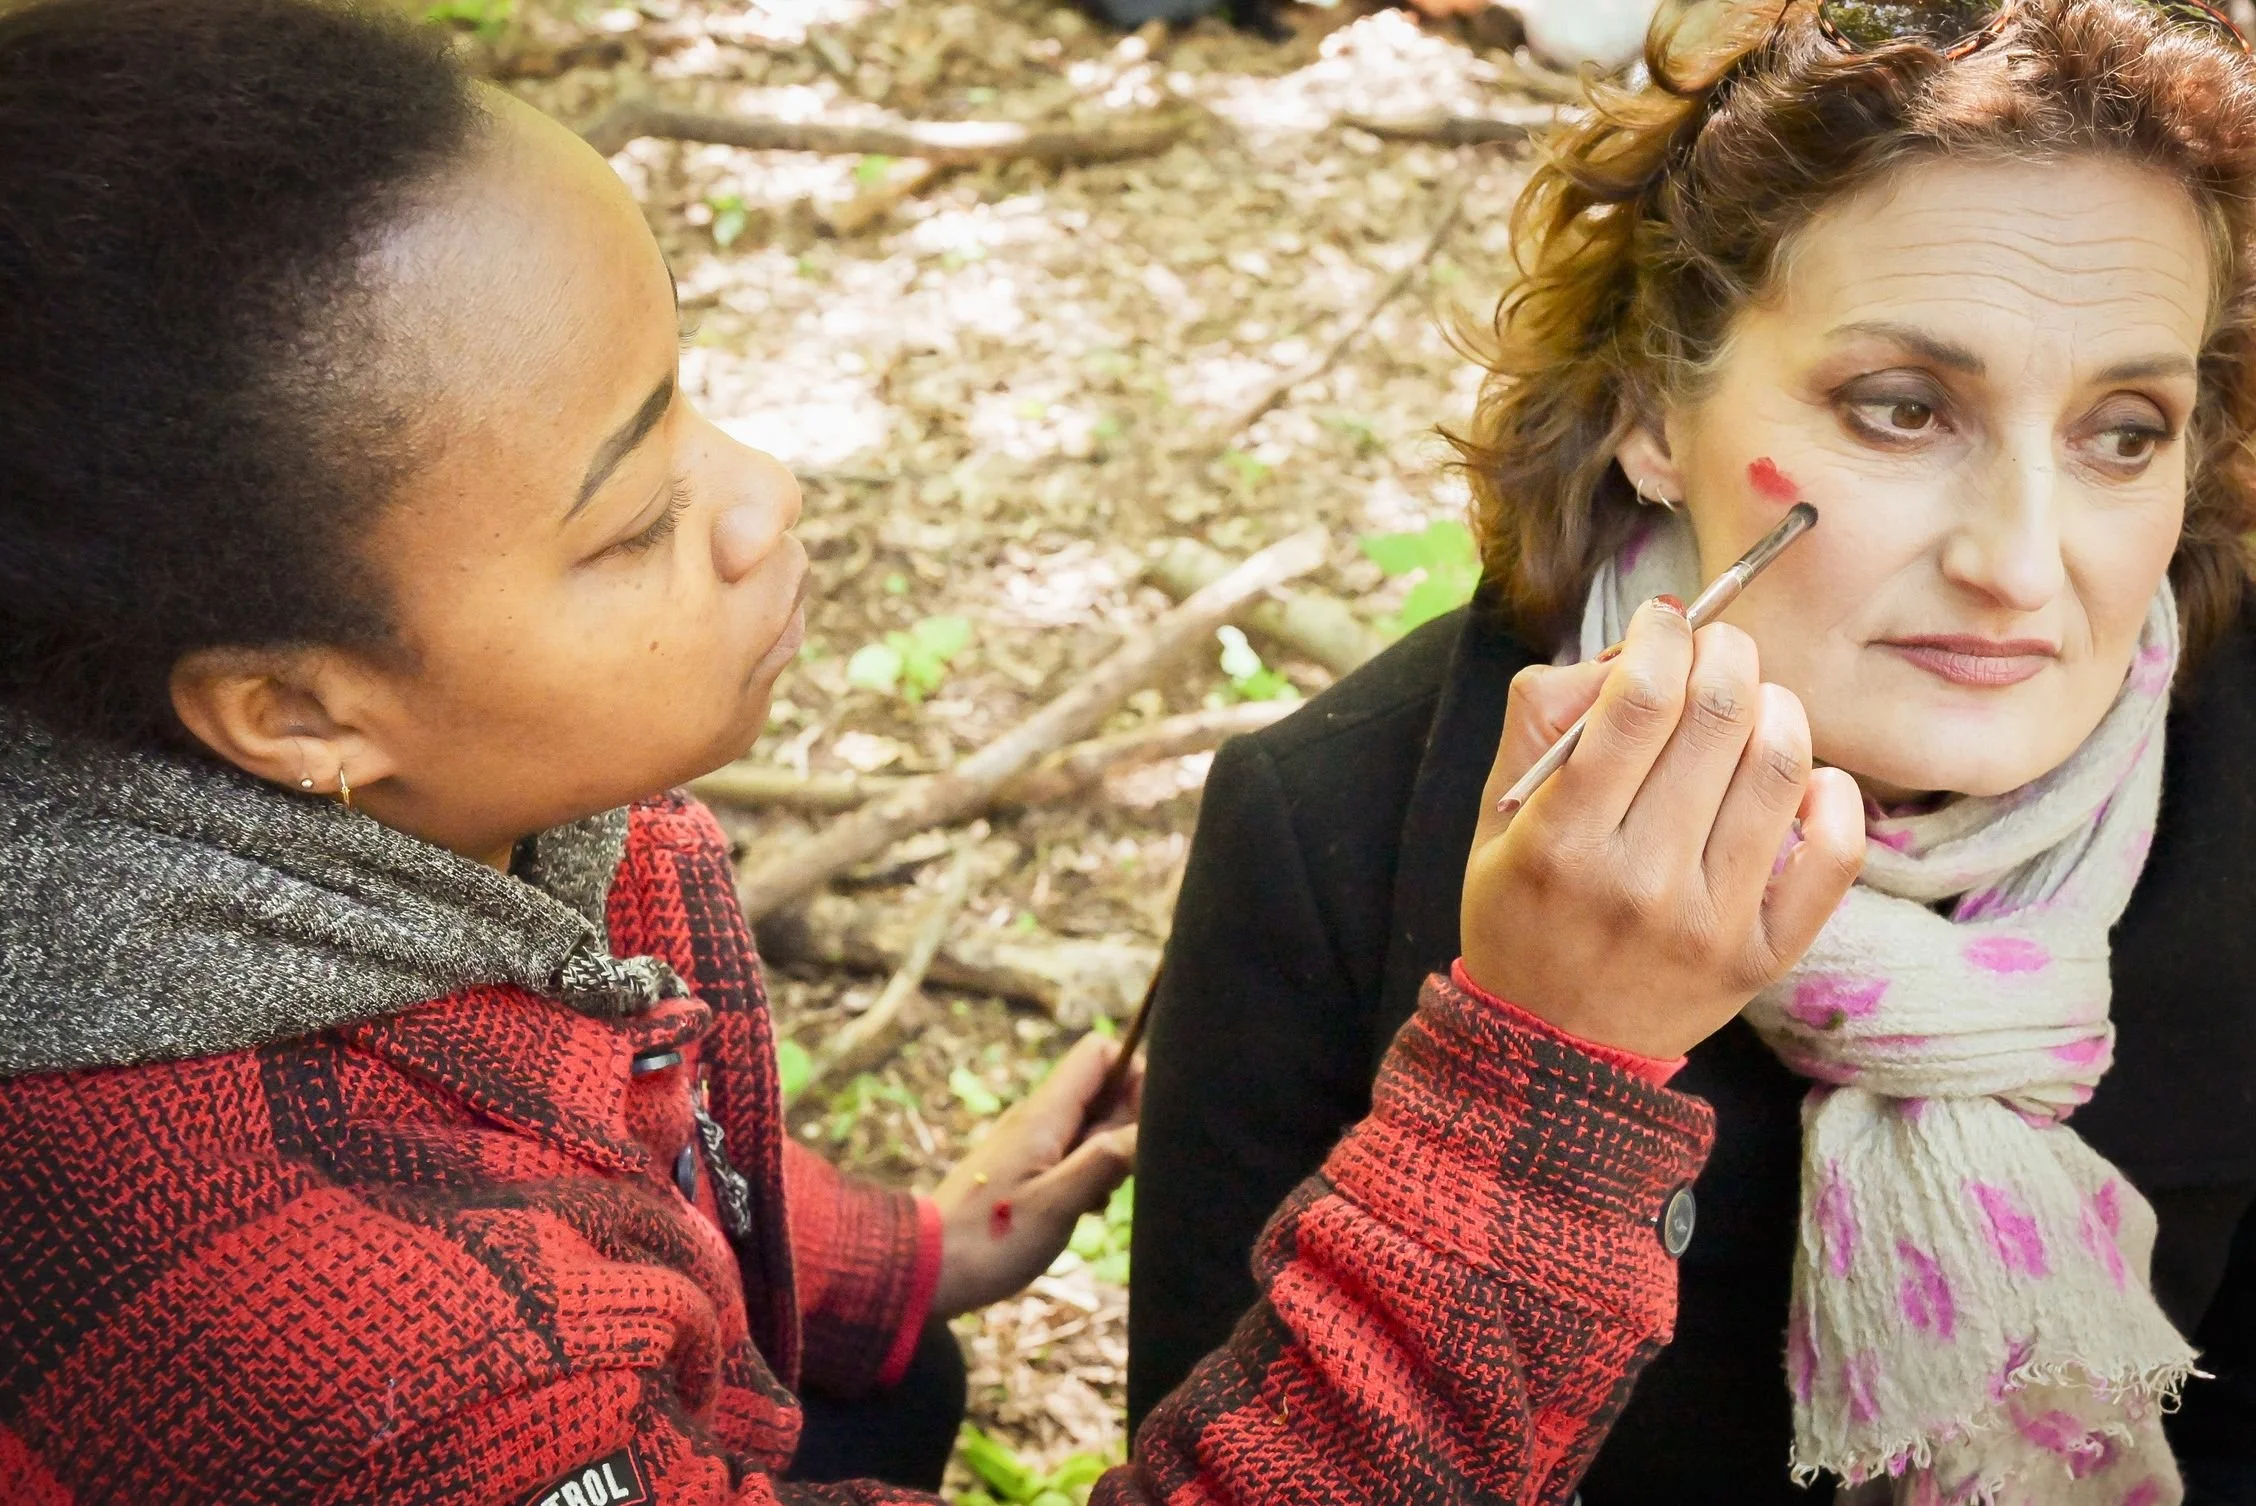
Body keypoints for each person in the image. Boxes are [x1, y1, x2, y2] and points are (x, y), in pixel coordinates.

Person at [0, 1, 1844, 1502]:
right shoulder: (341, 1340)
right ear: (299, 711)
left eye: (685, 400)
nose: (762, 499)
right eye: (631, 520)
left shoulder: (458, 797)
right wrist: (1545, 1088)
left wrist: (904, 1257)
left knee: (897, 1384)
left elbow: (598, 1115)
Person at [1129, 2, 2256, 1503]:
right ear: (1655, 405)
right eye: (1904, 409)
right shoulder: (1338, 831)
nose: (2023, 564)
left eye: (2124, 429)